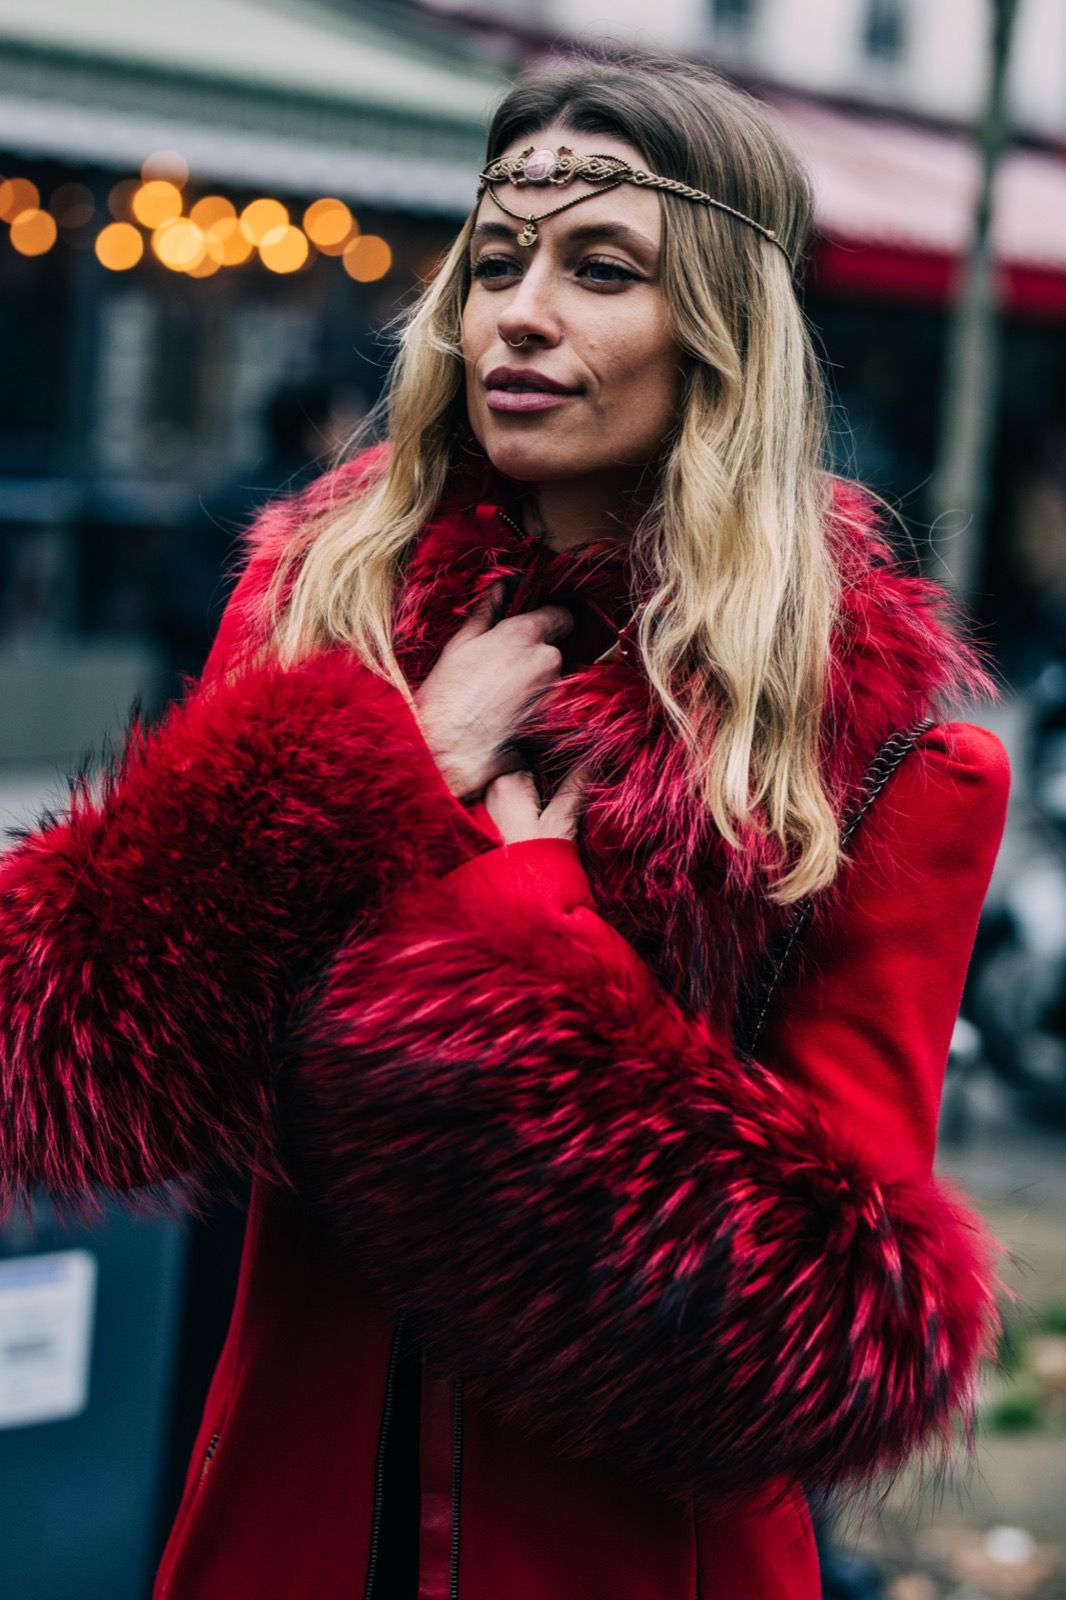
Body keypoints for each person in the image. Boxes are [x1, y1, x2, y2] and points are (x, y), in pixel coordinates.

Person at [0, 46, 1010, 1600]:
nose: (517, 315)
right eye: (492, 263)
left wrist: (527, 934)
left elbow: (833, 1340)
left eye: (599, 269)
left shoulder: (871, 755)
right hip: (289, 1517)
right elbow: (63, 1053)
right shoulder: (317, 622)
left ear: (721, 331)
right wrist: (358, 781)